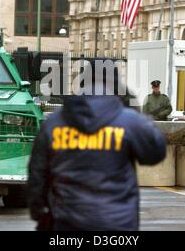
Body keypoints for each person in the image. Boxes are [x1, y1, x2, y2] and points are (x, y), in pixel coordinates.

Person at [27, 73, 167, 231]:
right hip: (118, 222)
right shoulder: (127, 120)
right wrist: (136, 112)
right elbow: (155, 153)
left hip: (67, 221)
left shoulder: (54, 123)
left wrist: (39, 212)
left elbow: (37, 173)